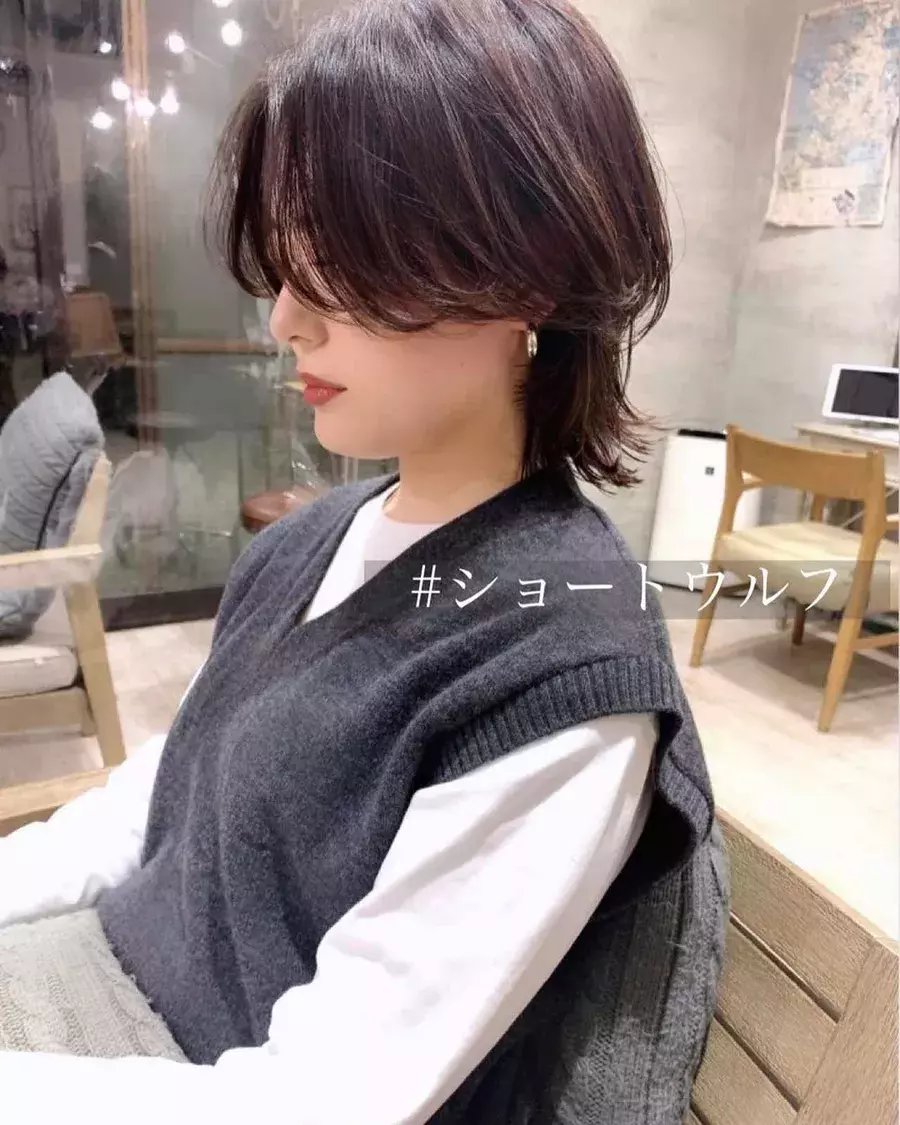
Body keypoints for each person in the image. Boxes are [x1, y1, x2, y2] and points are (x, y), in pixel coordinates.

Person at [0, 0, 728, 1120]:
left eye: (337, 262)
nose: (285, 321)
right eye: (283, 265)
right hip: (104, 982)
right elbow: (162, 793)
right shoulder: (306, 540)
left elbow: (326, 1098)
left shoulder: (560, 670)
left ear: (525, 273)